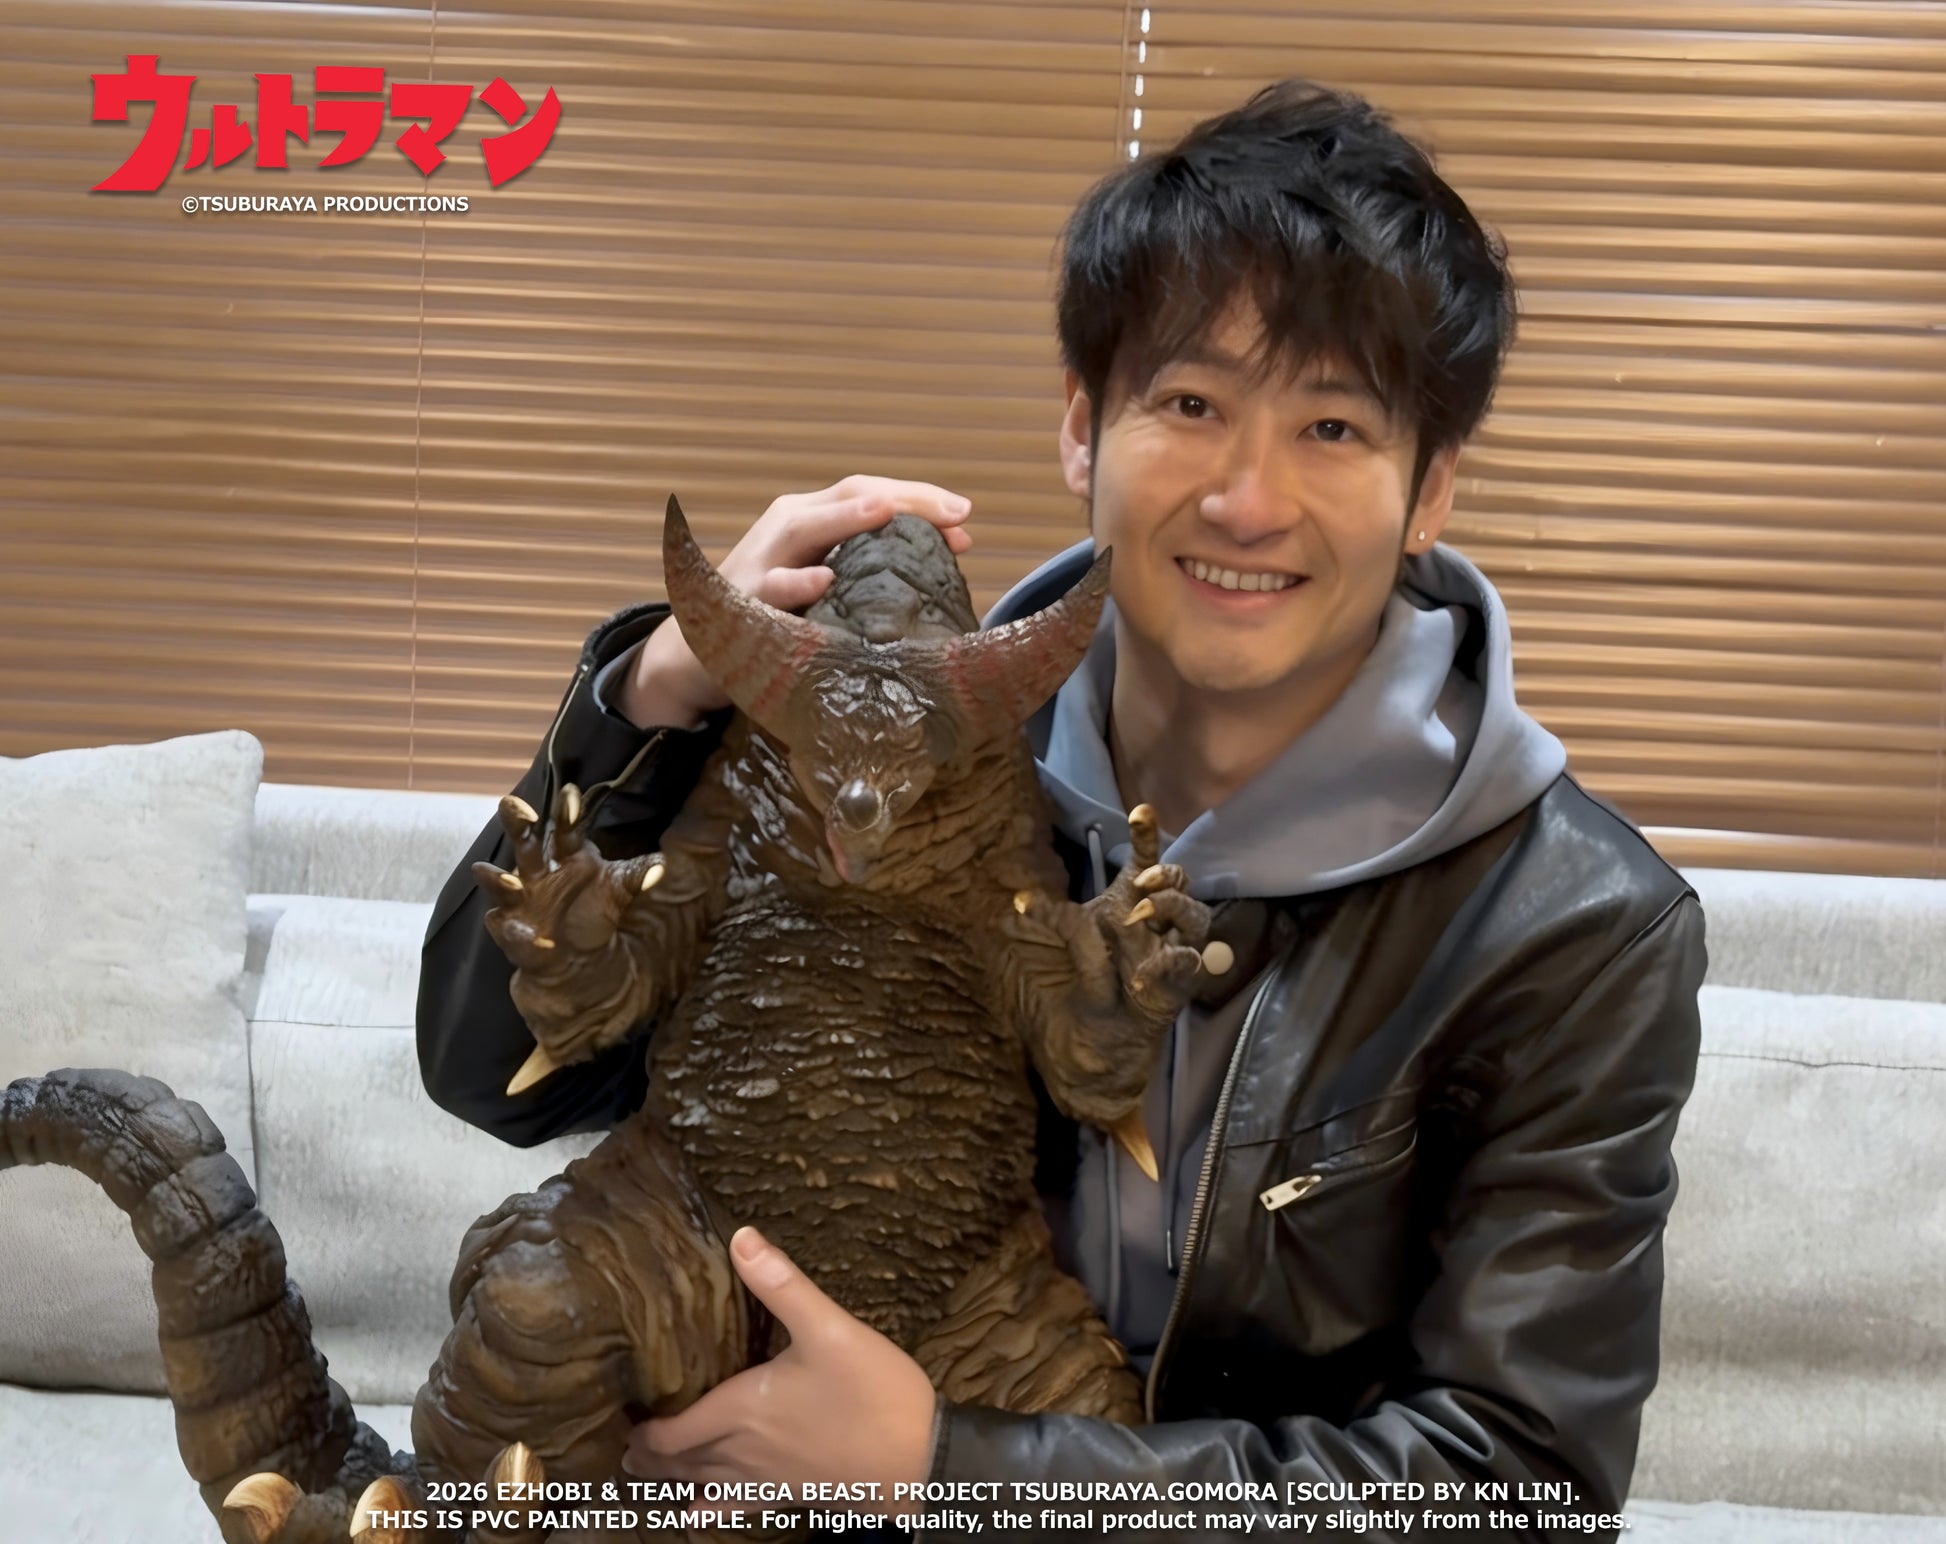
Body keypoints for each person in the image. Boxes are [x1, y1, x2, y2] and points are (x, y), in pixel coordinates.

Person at [417, 79, 1705, 1543]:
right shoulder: (907, 741)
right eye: (1192, 405)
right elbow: (491, 1076)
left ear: (1429, 490)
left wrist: (950, 1467)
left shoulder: (1575, 927)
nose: (1247, 499)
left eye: (1334, 427)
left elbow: (1520, 1491)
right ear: (1085, 431)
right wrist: (652, 699)